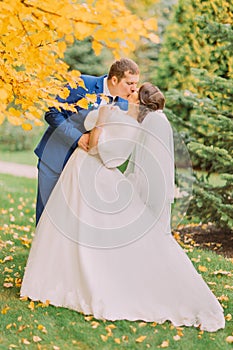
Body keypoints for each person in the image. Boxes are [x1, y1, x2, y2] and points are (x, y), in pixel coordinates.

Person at [20, 83, 225, 332]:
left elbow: (101, 151)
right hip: (76, 175)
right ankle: (56, 280)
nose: (129, 95)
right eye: (130, 88)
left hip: (95, 177)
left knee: (88, 237)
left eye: (134, 93)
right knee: (67, 233)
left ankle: (85, 282)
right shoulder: (122, 115)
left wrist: (102, 123)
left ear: (140, 103)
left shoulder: (132, 127)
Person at [34, 58, 140, 225]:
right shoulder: (82, 83)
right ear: (114, 79)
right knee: (47, 212)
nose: (134, 88)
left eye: (136, 83)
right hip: (56, 157)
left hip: (85, 169)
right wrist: (77, 137)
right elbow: (52, 112)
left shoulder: (125, 104)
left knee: (72, 218)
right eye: (130, 83)